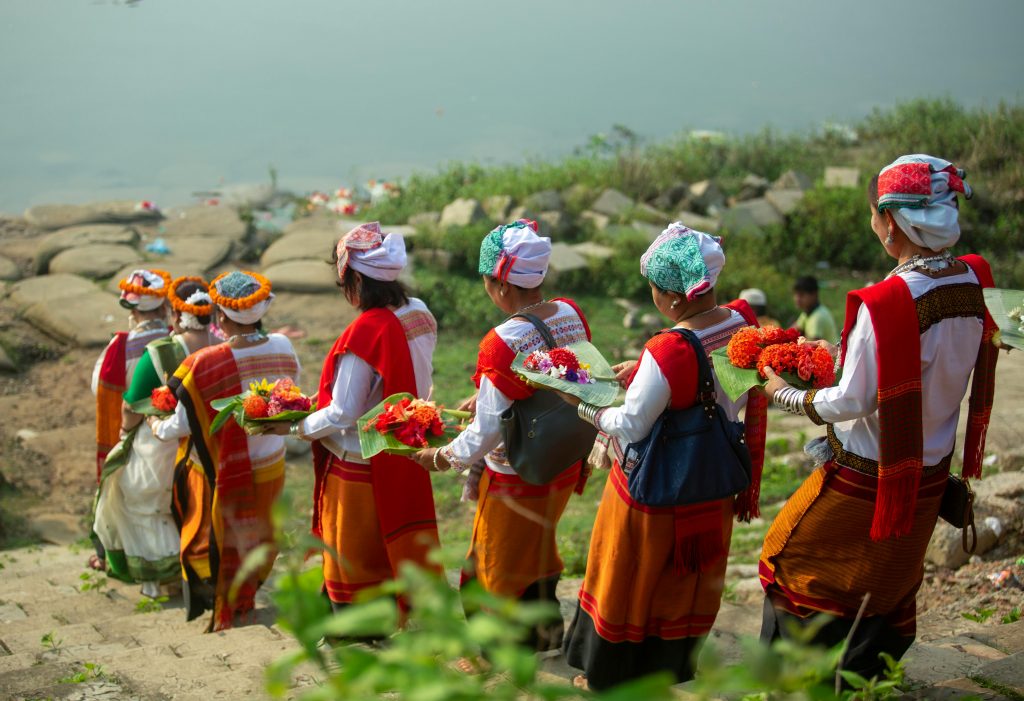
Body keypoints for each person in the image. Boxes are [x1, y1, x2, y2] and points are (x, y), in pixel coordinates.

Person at [759, 155, 998, 680]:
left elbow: (850, 403)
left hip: (870, 477)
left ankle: (798, 685)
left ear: (890, 223)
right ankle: (862, 681)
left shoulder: (888, 301)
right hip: (928, 473)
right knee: (883, 585)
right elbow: (923, 363)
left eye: (873, 215)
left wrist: (783, 394)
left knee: (792, 567)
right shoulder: (970, 281)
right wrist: (843, 354)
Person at [555, 223, 767, 691]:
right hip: (712, 479)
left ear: (674, 298)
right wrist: (650, 377)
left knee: (629, 579)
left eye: (653, 288)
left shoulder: (668, 350)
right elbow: (727, 389)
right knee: (681, 588)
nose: (652, 296)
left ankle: (608, 678)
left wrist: (585, 406)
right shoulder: (740, 326)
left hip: (657, 489)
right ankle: (670, 668)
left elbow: (630, 425)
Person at [411, 219, 592, 652]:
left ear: (502, 286)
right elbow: (561, 374)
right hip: (563, 458)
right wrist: (487, 396)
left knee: (496, 563)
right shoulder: (569, 313)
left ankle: (504, 653)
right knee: (539, 546)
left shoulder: (503, 340)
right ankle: (543, 636)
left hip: (518, 471)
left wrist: (444, 456)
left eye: (487, 282)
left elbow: (490, 431)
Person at [263, 223, 442, 617]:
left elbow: (344, 411)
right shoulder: (419, 313)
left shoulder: (366, 332)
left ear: (355, 280)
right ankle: (402, 615)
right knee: (396, 538)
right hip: (406, 440)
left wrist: (295, 427)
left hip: (360, 458)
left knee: (355, 552)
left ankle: (358, 628)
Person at [151, 271, 300, 630]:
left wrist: (157, 426)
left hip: (225, 469)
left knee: (213, 539)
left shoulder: (206, 361)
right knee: (262, 537)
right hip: (272, 462)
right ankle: (247, 596)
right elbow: (290, 395)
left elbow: (182, 425)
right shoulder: (283, 345)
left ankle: (227, 602)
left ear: (219, 316)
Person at [94, 276, 216, 595]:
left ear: (174, 314)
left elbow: (131, 406)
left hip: (163, 441)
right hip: (212, 442)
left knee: (142, 500)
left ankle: (165, 578)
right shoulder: (224, 345)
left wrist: (124, 434)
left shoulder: (161, 351)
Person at [89, 268, 173, 571]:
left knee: (132, 500)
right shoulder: (176, 338)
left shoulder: (120, 347)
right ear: (165, 306)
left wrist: (124, 431)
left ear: (130, 309)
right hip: (178, 430)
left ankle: (150, 569)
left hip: (140, 431)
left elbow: (98, 386)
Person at [792, 276, 837, 342]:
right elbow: (794, 329)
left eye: (801, 295)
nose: (797, 299)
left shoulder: (817, 318)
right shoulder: (808, 312)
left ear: (814, 295)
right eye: (796, 294)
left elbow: (812, 346)